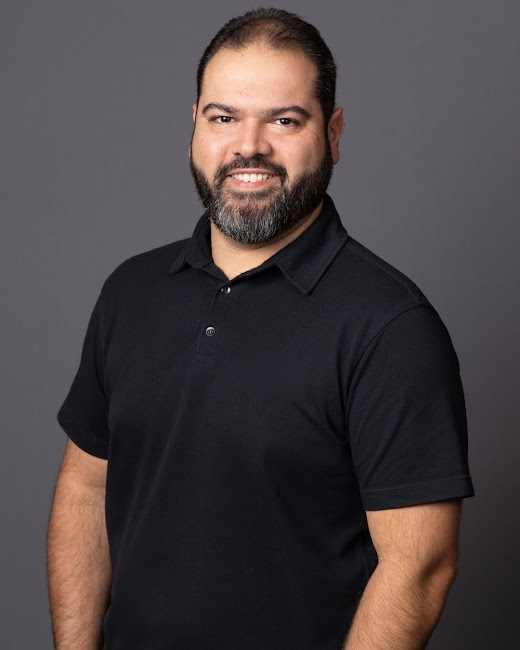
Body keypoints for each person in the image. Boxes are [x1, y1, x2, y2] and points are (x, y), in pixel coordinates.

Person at [47, 7, 475, 650]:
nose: (250, 146)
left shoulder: (390, 328)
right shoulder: (130, 292)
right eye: (224, 118)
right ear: (194, 126)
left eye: (284, 120)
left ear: (333, 133)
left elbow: (419, 569)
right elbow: (86, 489)